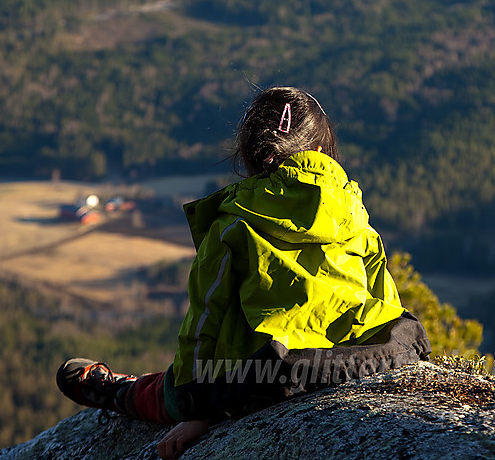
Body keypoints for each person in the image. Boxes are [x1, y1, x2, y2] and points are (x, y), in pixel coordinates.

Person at [57, 87, 431, 460]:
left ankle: (118, 392)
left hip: (266, 375)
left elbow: (204, 323)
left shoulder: (233, 220)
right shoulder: (355, 214)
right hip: (353, 363)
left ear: (252, 156)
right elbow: (385, 301)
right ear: (319, 151)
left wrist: (200, 408)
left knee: (170, 390)